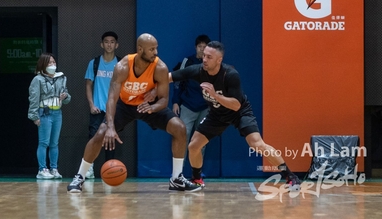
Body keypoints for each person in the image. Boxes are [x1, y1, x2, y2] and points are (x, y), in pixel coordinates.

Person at [67, 34, 201, 193]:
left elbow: (164, 100)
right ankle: (79, 177)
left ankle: (177, 178)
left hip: (148, 105)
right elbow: (112, 98)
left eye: (156, 48)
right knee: (101, 132)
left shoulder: (160, 67)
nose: (156, 52)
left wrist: (152, 108)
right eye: (152, 49)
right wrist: (110, 127)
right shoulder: (123, 66)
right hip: (125, 106)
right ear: (140, 49)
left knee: (179, 127)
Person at [169, 41, 302, 190]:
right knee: (194, 146)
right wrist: (152, 84)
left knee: (257, 144)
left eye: (209, 57)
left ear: (219, 60)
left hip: (239, 112)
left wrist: (214, 95)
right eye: (204, 56)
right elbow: (170, 77)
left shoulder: (230, 75)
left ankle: (290, 176)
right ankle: (197, 179)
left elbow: (236, 105)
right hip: (217, 114)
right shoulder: (198, 70)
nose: (204, 59)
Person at [84, 31, 120, 179]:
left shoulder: (120, 64)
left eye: (112, 42)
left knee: (111, 140)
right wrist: (91, 105)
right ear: (102, 44)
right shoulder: (94, 63)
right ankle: (89, 168)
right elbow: (88, 85)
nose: (109, 44)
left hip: (114, 110)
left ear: (116, 45)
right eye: (106, 41)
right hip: (98, 109)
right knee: (94, 138)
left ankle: (110, 170)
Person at [28, 53, 71, 179]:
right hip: (44, 112)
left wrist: (65, 97)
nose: (52, 65)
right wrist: (34, 116)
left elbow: (67, 97)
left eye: (54, 62)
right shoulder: (38, 79)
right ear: (43, 64)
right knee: (44, 142)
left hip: (57, 112)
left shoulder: (61, 77)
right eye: (49, 63)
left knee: (54, 143)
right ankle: (42, 169)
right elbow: (34, 98)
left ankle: (54, 168)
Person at [171, 34, 211, 164]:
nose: (202, 49)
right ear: (195, 47)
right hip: (188, 106)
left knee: (201, 140)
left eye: (205, 47)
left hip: (205, 107)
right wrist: (175, 102)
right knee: (183, 136)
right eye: (200, 46)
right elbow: (178, 81)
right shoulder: (187, 62)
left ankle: (197, 171)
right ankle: (179, 171)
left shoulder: (212, 64)